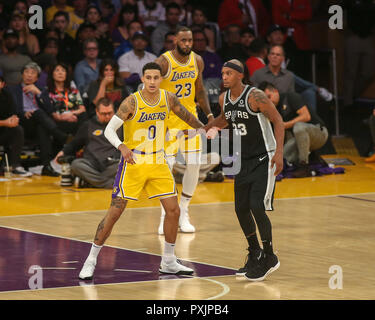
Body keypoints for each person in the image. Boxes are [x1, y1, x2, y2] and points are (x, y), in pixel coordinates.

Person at [78, 62, 204, 280]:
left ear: (161, 79)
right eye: (149, 78)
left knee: (173, 210)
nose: (153, 81)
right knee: (115, 212)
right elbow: (109, 130)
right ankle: (91, 259)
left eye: (157, 77)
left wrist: (205, 126)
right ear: (143, 79)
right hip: (134, 161)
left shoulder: (168, 98)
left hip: (158, 160)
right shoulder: (131, 102)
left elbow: (186, 116)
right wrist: (122, 146)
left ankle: (169, 261)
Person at [204, 59, 284, 281]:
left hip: (264, 157)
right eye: (222, 73)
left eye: (229, 73)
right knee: (240, 208)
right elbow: (224, 119)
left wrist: (279, 153)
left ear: (240, 75)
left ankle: (269, 256)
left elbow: (277, 121)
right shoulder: (224, 99)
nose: (224, 77)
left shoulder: (255, 96)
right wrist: (202, 129)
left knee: (257, 206)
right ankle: (255, 251)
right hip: (243, 159)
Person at [155, 26, 214, 235]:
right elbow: (150, 90)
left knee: (195, 164)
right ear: (175, 41)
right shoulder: (163, 62)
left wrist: (209, 116)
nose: (188, 44)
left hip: (190, 119)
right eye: (184, 41)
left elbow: (200, 90)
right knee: (168, 166)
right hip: (168, 120)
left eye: (190, 40)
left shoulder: (197, 60)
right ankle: (166, 214)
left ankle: (184, 211)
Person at [259, 81, 328, 178]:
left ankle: (304, 166)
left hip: (319, 133)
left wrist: (284, 125)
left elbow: (306, 116)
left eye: (269, 96)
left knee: (298, 127)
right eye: (266, 100)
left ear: (275, 91)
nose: (269, 101)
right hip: (299, 139)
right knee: (283, 158)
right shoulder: (270, 110)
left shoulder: (291, 97)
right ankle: (312, 157)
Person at [7, 62, 61, 176]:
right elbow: (10, 108)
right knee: (39, 113)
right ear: (22, 75)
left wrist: (38, 93)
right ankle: (60, 135)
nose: (29, 75)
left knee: (41, 124)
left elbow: (50, 109)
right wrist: (23, 112)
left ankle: (46, 164)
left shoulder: (41, 90)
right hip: (22, 120)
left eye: (33, 73)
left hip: (38, 122)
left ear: (37, 77)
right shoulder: (13, 89)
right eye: (27, 72)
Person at [54, 98, 120, 188]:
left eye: (110, 113)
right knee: (76, 165)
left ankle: (89, 183)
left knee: (126, 165)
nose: (107, 116)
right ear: (97, 112)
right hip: (91, 164)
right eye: (104, 114)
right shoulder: (88, 125)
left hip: (112, 164)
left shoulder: (121, 126)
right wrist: (63, 152)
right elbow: (75, 144)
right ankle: (110, 184)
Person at [43, 63, 87, 140]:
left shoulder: (73, 90)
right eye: (57, 70)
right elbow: (49, 111)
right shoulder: (47, 92)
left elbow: (82, 108)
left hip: (74, 117)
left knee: (84, 115)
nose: (60, 73)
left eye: (63, 70)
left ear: (66, 74)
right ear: (52, 74)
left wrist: (71, 114)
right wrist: (63, 117)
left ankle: (79, 144)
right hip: (58, 120)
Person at [0, 76, 32, 177]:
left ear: (2, 84)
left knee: (17, 129)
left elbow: (14, 113)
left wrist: (14, 120)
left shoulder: (7, 95)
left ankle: (15, 165)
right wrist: (5, 122)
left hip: (3, 131)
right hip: (3, 125)